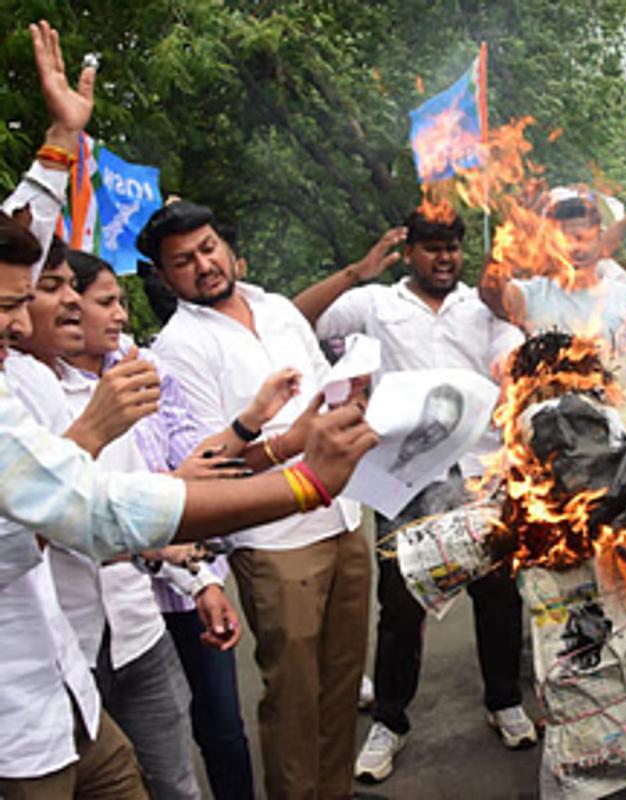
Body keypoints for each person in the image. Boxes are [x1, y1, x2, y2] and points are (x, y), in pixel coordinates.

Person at [140, 199, 373, 798]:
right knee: (293, 697)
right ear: (165, 278)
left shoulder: (276, 309)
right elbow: (205, 470)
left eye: (209, 247)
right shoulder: (178, 348)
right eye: (184, 260)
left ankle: (336, 791)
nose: (204, 264)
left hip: (345, 516)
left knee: (343, 683)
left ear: (227, 246)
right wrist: (289, 443)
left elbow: (327, 384)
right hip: (276, 539)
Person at [294, 207, 534, 783]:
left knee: (498, 596)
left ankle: (504, 700)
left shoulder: (483, 306)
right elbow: (296, 319)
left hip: (481, 475)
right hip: (403, 481)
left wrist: (510, 362)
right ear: (410, 253)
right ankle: (391, 720)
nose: (444, 257)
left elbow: (515, 352)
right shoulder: (376, 303)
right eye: (430, 247)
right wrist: (357, 270)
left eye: (451, 246)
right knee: (401, 607)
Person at [64, 248, 269, 799]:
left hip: (154, 610)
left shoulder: (139, 371)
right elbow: (93, 511)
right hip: (82, 634)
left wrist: (201, 577)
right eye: (104, 302)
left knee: (206, 746)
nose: (121, 316)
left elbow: (193, 468)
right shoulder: (40, 397)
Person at [480, 188, 626, 375]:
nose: (576, 249)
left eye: (584, 239)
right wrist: (512, 231)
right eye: (566, 240)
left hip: (614, 404)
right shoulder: (530, 295)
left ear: (599, 238)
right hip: (544, 402)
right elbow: (491, 292)